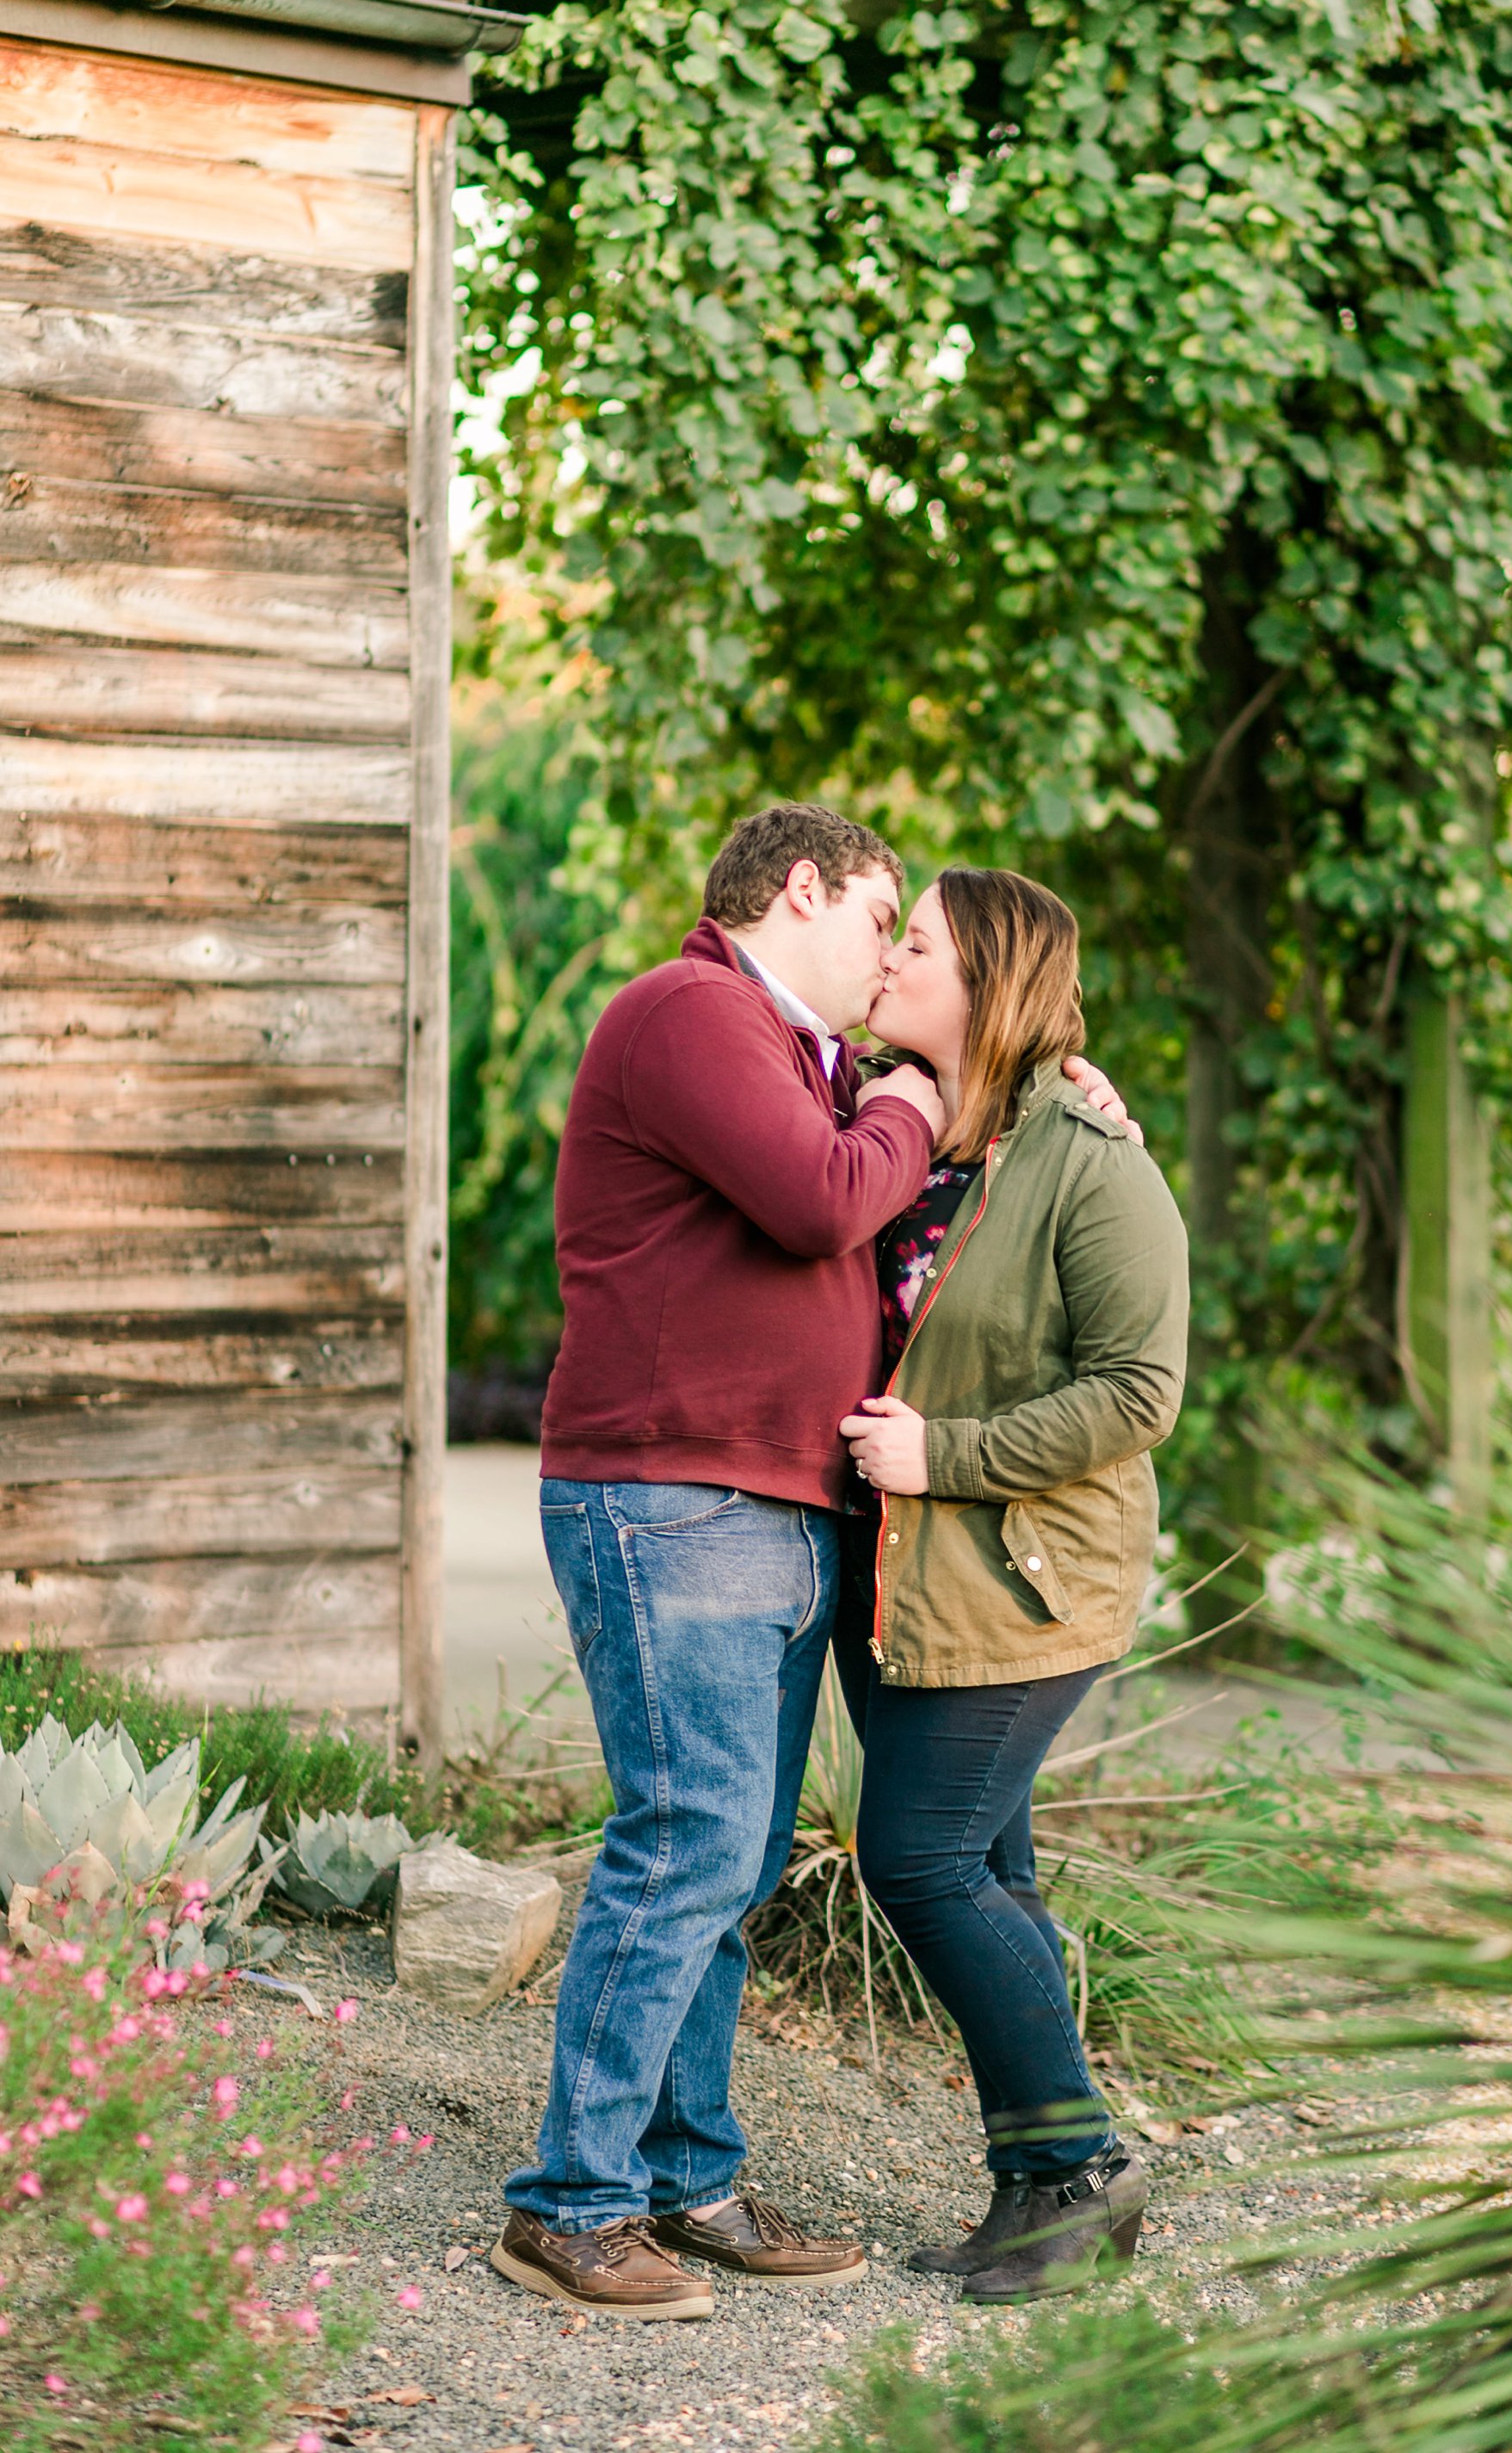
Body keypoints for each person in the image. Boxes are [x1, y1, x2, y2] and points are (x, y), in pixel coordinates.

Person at [492, 806, 1131, 2320]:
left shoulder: (806, 1059)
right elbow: (829, 1195)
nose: (891, 948)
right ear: (800, 891)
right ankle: (571, 2203)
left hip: (769, 1511)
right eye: (880, 915)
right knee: (688, 1845)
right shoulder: (690, 1010)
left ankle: (686, 2176)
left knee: (732, 1856)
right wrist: (914, 1087)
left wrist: (1055, 1089)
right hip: (672, 1496)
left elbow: (954, 1135)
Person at [836, 868, 1188, 2305]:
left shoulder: (1094, 1160)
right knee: (990, 1872)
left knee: (915, 1856)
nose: (885, 956)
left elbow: (1141, 1389)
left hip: (1031, 1580)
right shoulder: (892, 1123)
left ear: (986, 983)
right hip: (907, 1576)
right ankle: (1036, 2188)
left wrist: (946, 1454)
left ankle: (1091, 2165)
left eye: (912, 943)